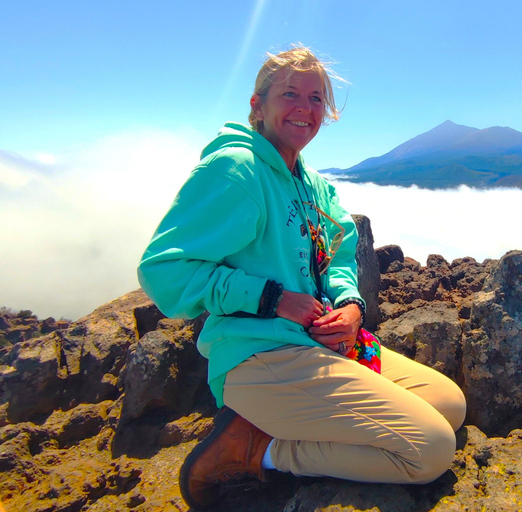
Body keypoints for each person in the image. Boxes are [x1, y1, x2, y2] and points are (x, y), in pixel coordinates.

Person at [137, 45, 466, 510]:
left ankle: (272, 423)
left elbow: (339, 251)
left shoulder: (311, 182)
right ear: (258, 106)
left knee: (449, 405)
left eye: (316, 98)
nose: (305, 108)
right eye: (290, 93)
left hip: (316, 346)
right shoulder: (237, 171)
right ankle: (257, 450)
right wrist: (272, 298)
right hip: (259, 355)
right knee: (429, 450)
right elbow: (163, 269)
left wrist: (351, 307)